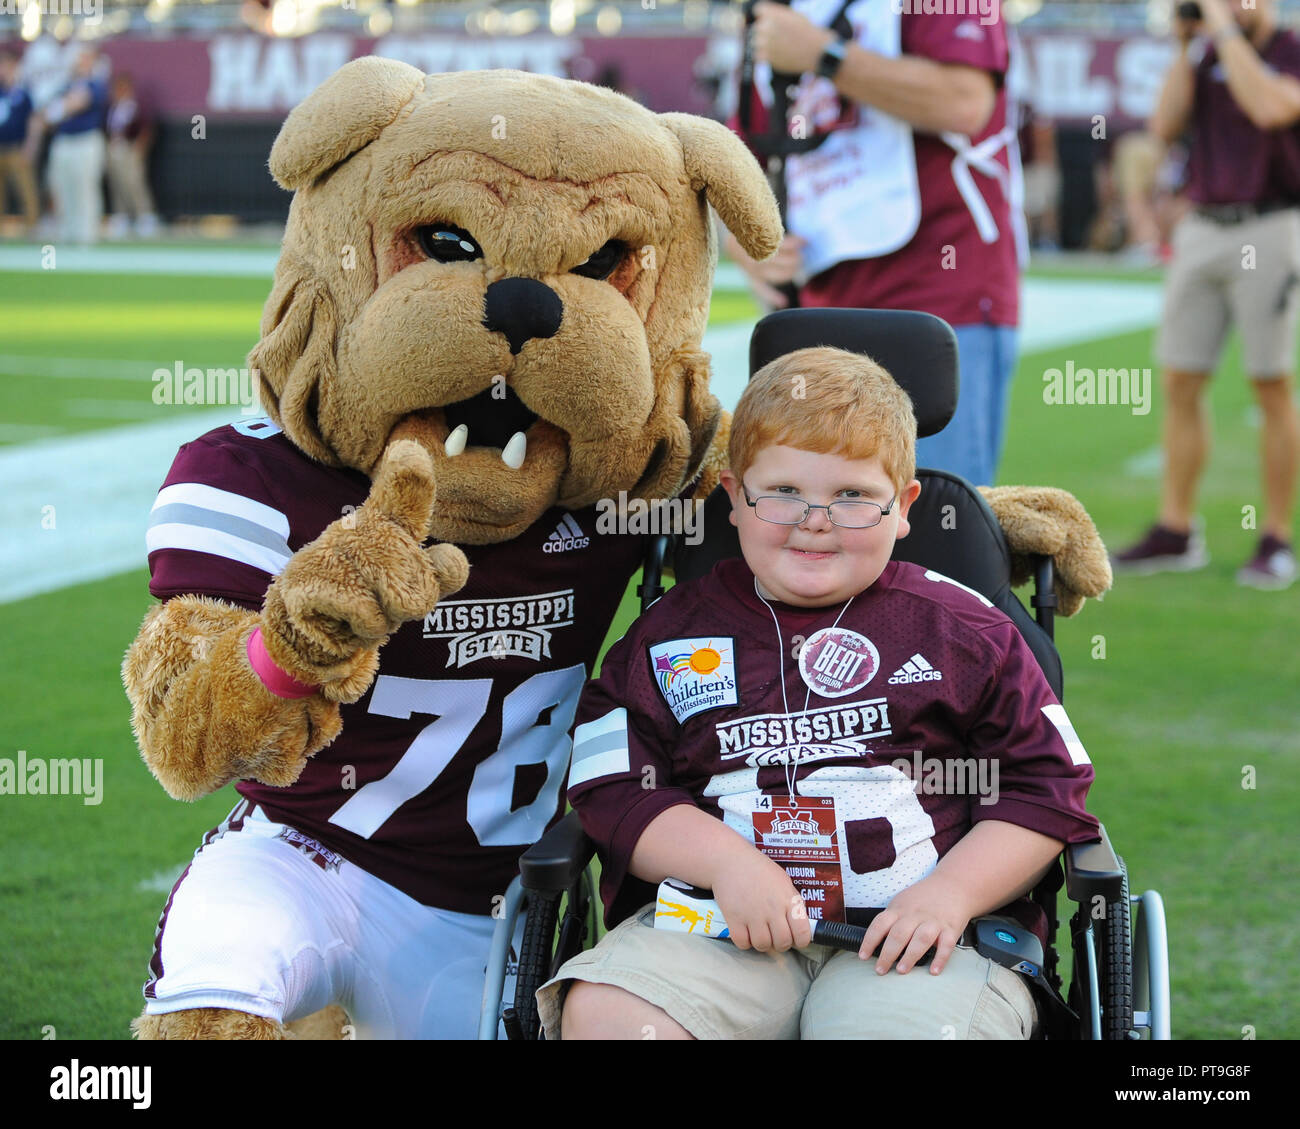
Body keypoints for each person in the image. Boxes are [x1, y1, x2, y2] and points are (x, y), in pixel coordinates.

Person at [538, 346, 1099, 1040]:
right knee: (609, 1014)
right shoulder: (667, 636)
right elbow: (612, 784)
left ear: (904, 508)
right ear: (734, 497)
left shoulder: (965, 632)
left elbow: (1044, 789)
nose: (816, 518)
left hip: (923, 936)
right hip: (719, 923)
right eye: (784, 492)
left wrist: (951, 895)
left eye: (854, 496)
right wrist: (726, 863)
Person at [724, 1, 1024, 488]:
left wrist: (825, 53)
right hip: (815, 302)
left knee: (931, 532)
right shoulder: (776, 9)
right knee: (813, 529)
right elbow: (745, 153)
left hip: (939, 294)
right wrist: (746, 240)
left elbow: (964, 102)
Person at [1113, 0, 1300, 589]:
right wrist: (1185, 44)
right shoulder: (1203, 50)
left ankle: (1274, 535)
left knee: (1270, 383)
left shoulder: (1288, 47)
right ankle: (1176, 528)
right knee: (1179, 380)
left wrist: (1222, 28)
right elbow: (1163, 127)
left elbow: (1269, 107)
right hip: (1203, 225)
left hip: (1272, 224)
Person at [38, 47, 107, 246]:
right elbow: (45, 115)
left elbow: (78, 103)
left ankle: (86, 236)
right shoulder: (65, 85)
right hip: (64, 141)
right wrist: (61, 107)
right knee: (61, 187)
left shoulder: (96, 84)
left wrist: (61, 108)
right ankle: (66, 233)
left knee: (84, 188)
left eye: (84, 59)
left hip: (85, 141)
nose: (80, 63)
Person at [105, 71, 159, 239]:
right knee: (117, 183)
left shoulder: (136, 106)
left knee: (134, 183)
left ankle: (145, 215)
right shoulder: (113, 108)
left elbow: (146, 129)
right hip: (115, 150)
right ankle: (121, 216)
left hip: (130, 150)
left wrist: (139, 148)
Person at [0, 49, 40, 238]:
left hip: (16, 147)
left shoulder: (23, 93)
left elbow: (33, 121)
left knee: (24, 188)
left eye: (6, 65)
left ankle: (32, 227)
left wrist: (29, 147)